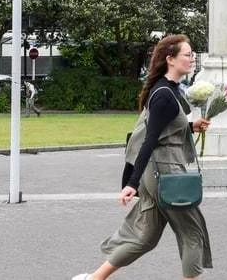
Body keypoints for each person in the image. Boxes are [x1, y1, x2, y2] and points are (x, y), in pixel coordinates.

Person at [73, 34, 212, 280]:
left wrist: (191, 127)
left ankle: (95, 279)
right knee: (192, 234)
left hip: (157, 173)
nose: (192, 59)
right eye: (187, 55)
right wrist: (131, 184)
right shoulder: (163, 95)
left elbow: (161, 132)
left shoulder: (167, 90)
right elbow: (149, 141)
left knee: (145, 236)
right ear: (170, 59)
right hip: (166, 173)